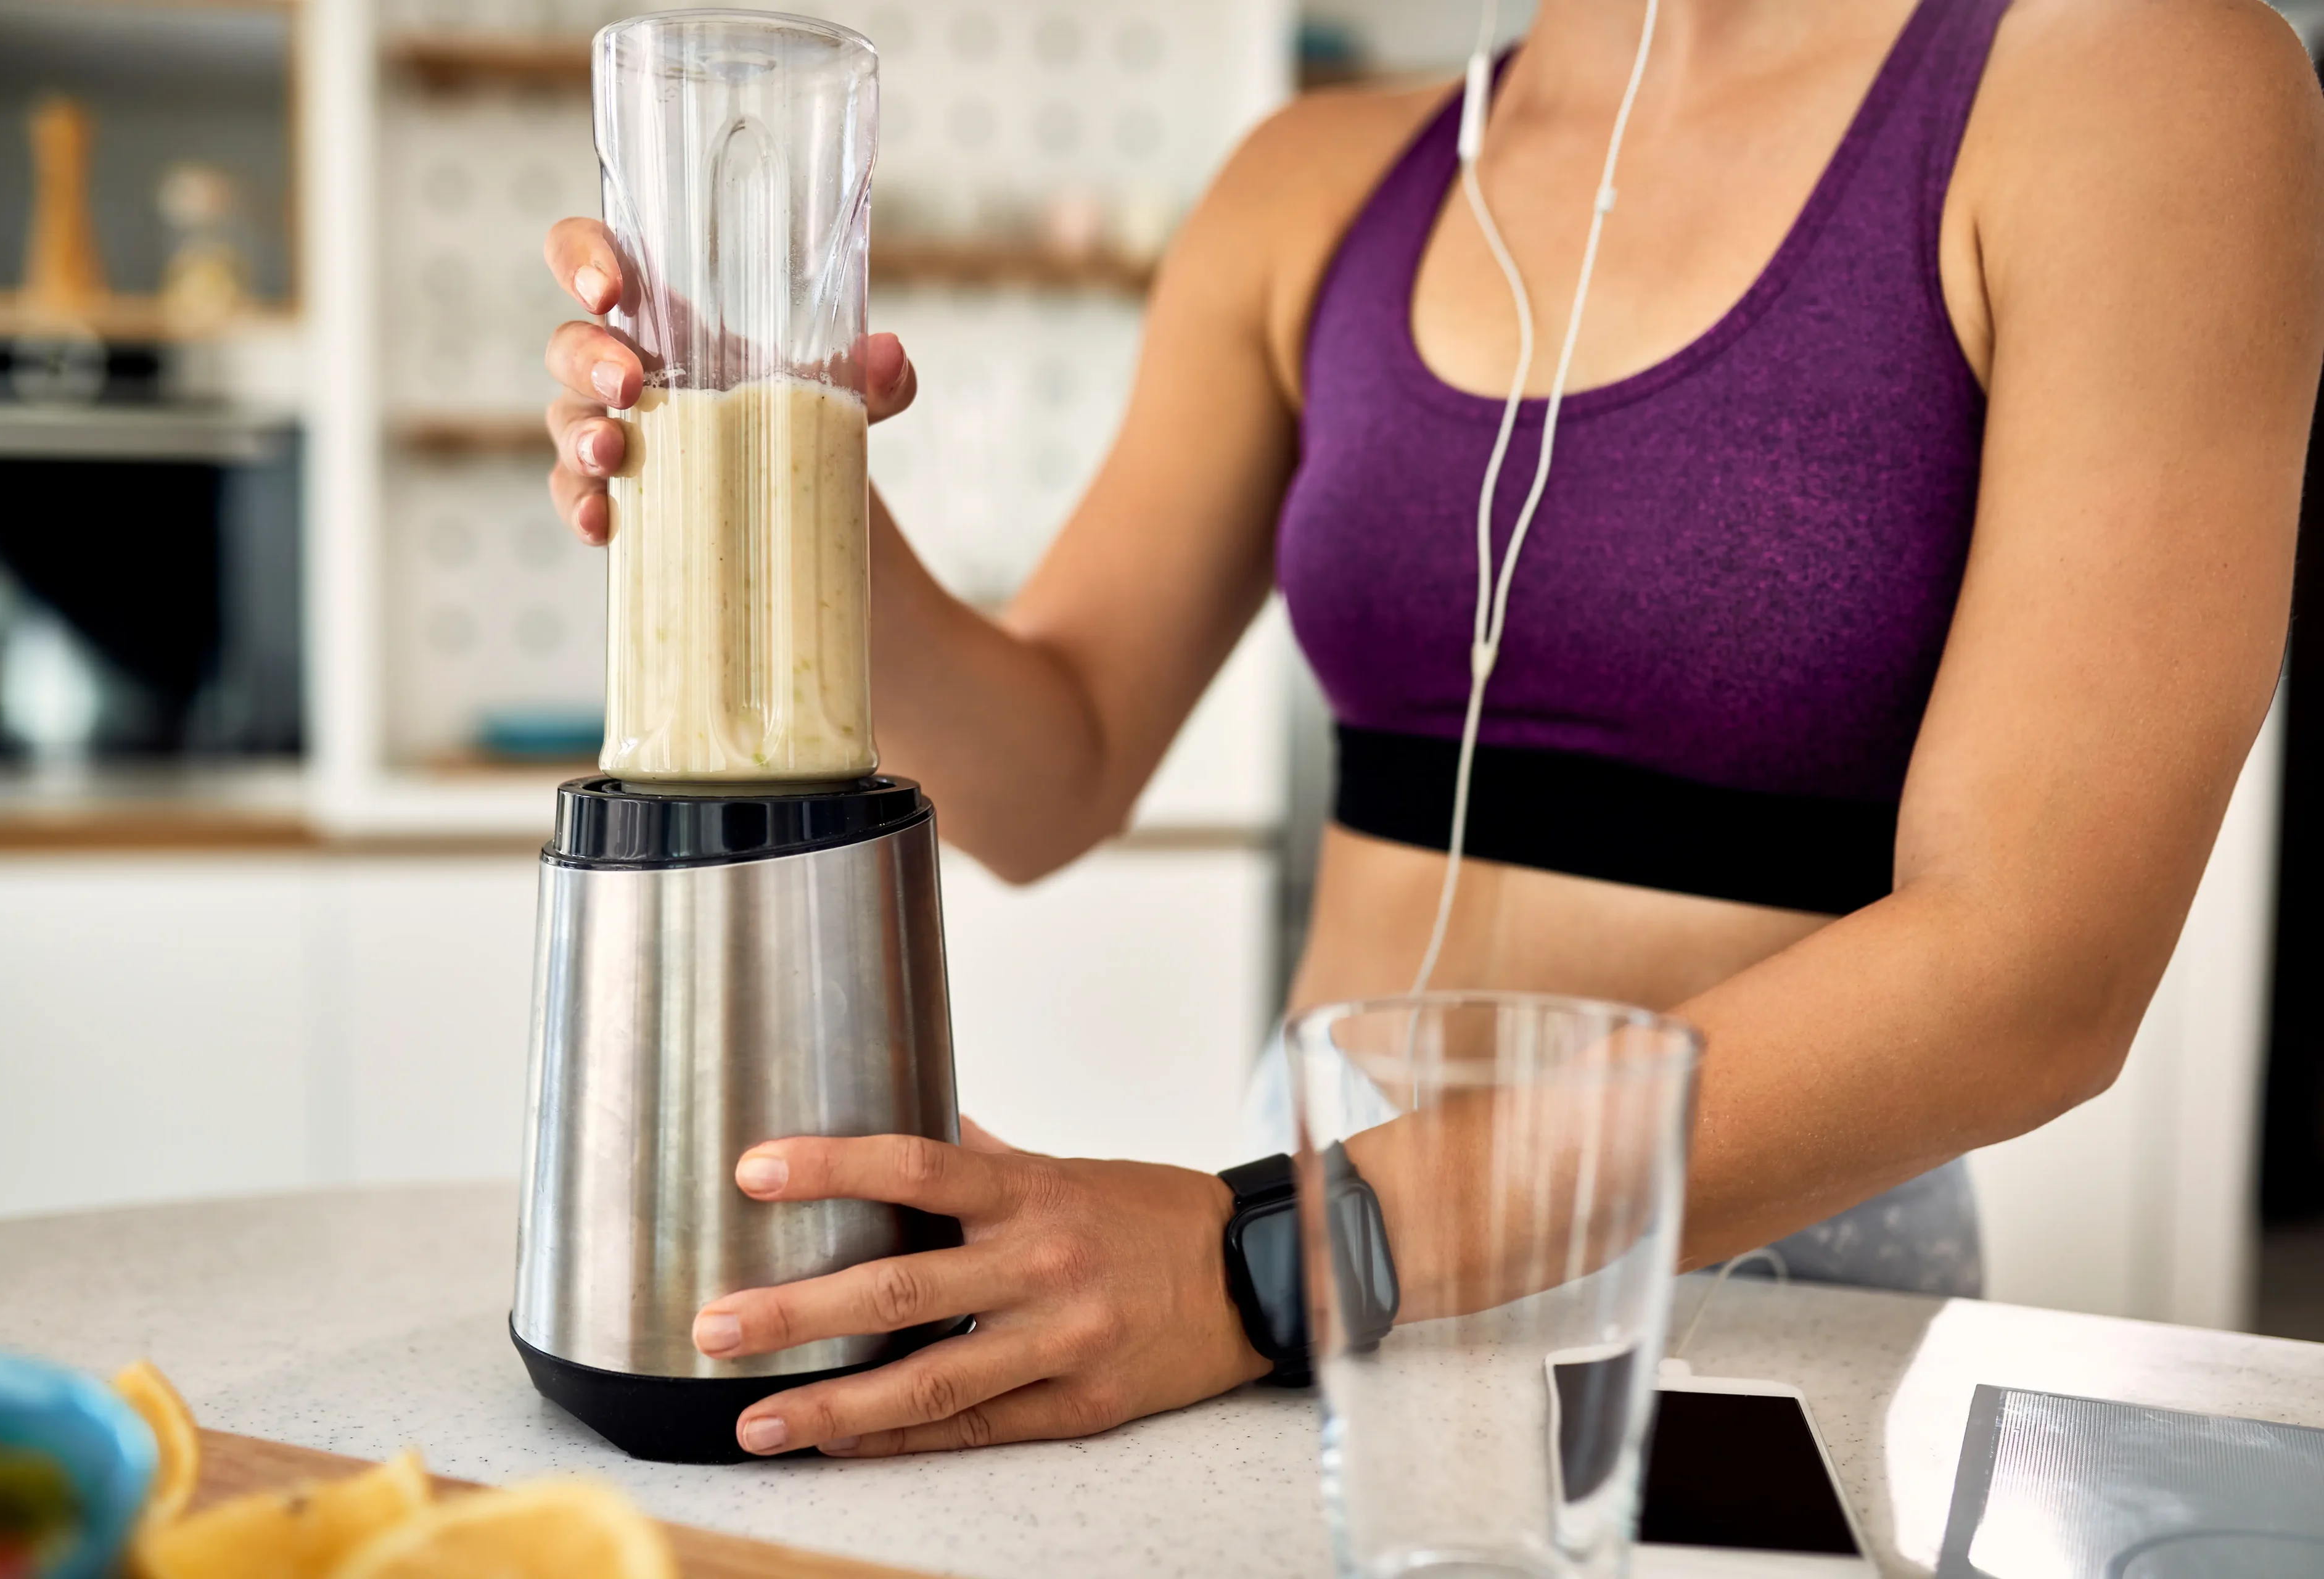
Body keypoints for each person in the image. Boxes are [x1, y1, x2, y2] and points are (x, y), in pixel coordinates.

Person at [535, 0, 2324, 1457]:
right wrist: (763, 468)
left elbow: (2045, 968)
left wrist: (1278, 1256)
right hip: (1297, 1249)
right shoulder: (1318, 179)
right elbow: (1048, 772)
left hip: (1750, 1263)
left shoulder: (2132, 83)